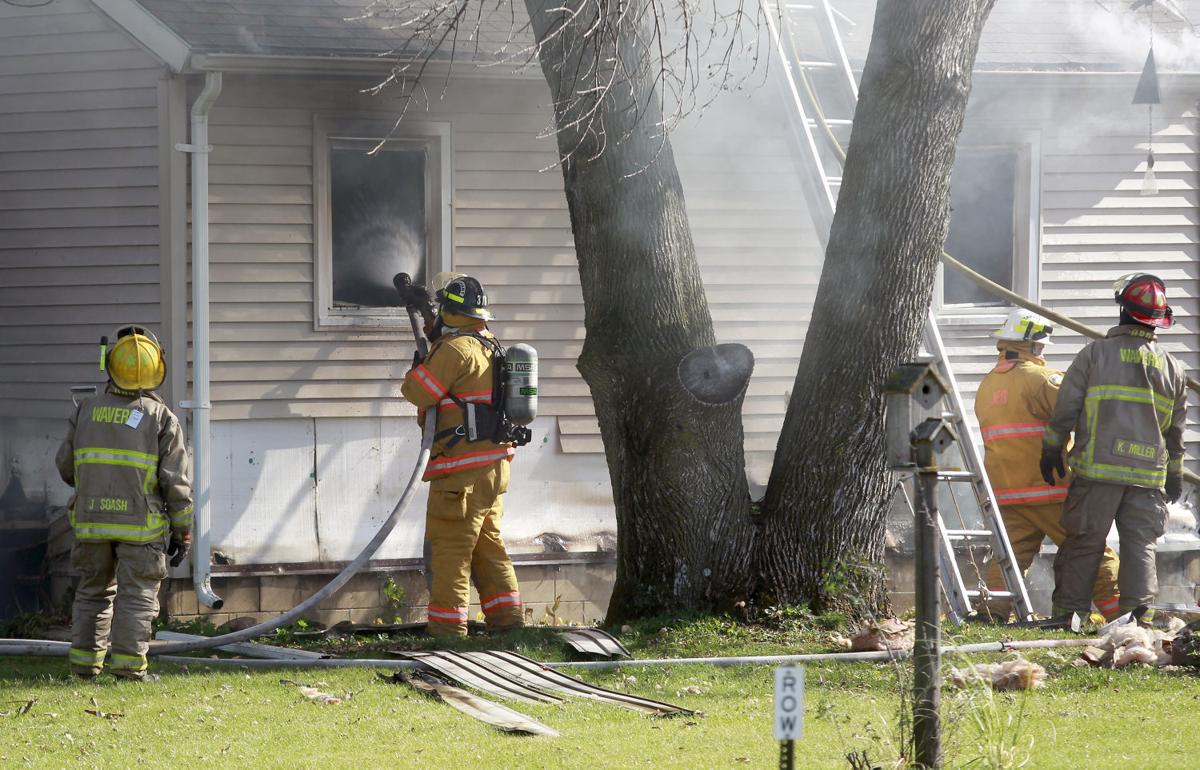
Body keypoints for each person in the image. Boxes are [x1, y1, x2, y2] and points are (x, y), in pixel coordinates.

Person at [1041, 274, 1188, 621]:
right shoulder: (1173, 368)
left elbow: (1066, 409)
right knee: (1140, 547)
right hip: (1148, 476)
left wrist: (1051, 449)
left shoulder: (1094, 354)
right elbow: (1176, 432)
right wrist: (1175, 474)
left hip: (1098, 472)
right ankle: (1138, 619)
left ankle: (1067, 617)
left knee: (1083, 543)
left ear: (1123, 309)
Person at [56, 326, 192, 680]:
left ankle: (84, 668)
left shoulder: (85, 410)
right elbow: (175, 483)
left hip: (91, 524)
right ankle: (130, 670)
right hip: (141, 528)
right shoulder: (162, 419)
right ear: (156, 368)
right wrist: (184, 531)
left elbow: (65, 467)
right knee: (137, 596)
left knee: (92, 593)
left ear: (109, 364)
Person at [974, 308, 1121, 621]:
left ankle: (992, 613)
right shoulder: (1043, 379)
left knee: (1009, 558)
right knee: (1091, 549)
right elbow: (1086, 415)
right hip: (1050, 489)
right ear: (1034, 345)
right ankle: (1121, 615)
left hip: (1006, 493)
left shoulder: (987, 385)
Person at [400, 275, 524, 637]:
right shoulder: (488, 344)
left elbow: (418, 392)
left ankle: (448, 634)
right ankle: (509, 626)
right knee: (489, 548)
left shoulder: (454, 351)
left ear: (452, 312)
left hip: (461, 475)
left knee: (451, 552)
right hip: (494, 466)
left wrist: (417, 368)